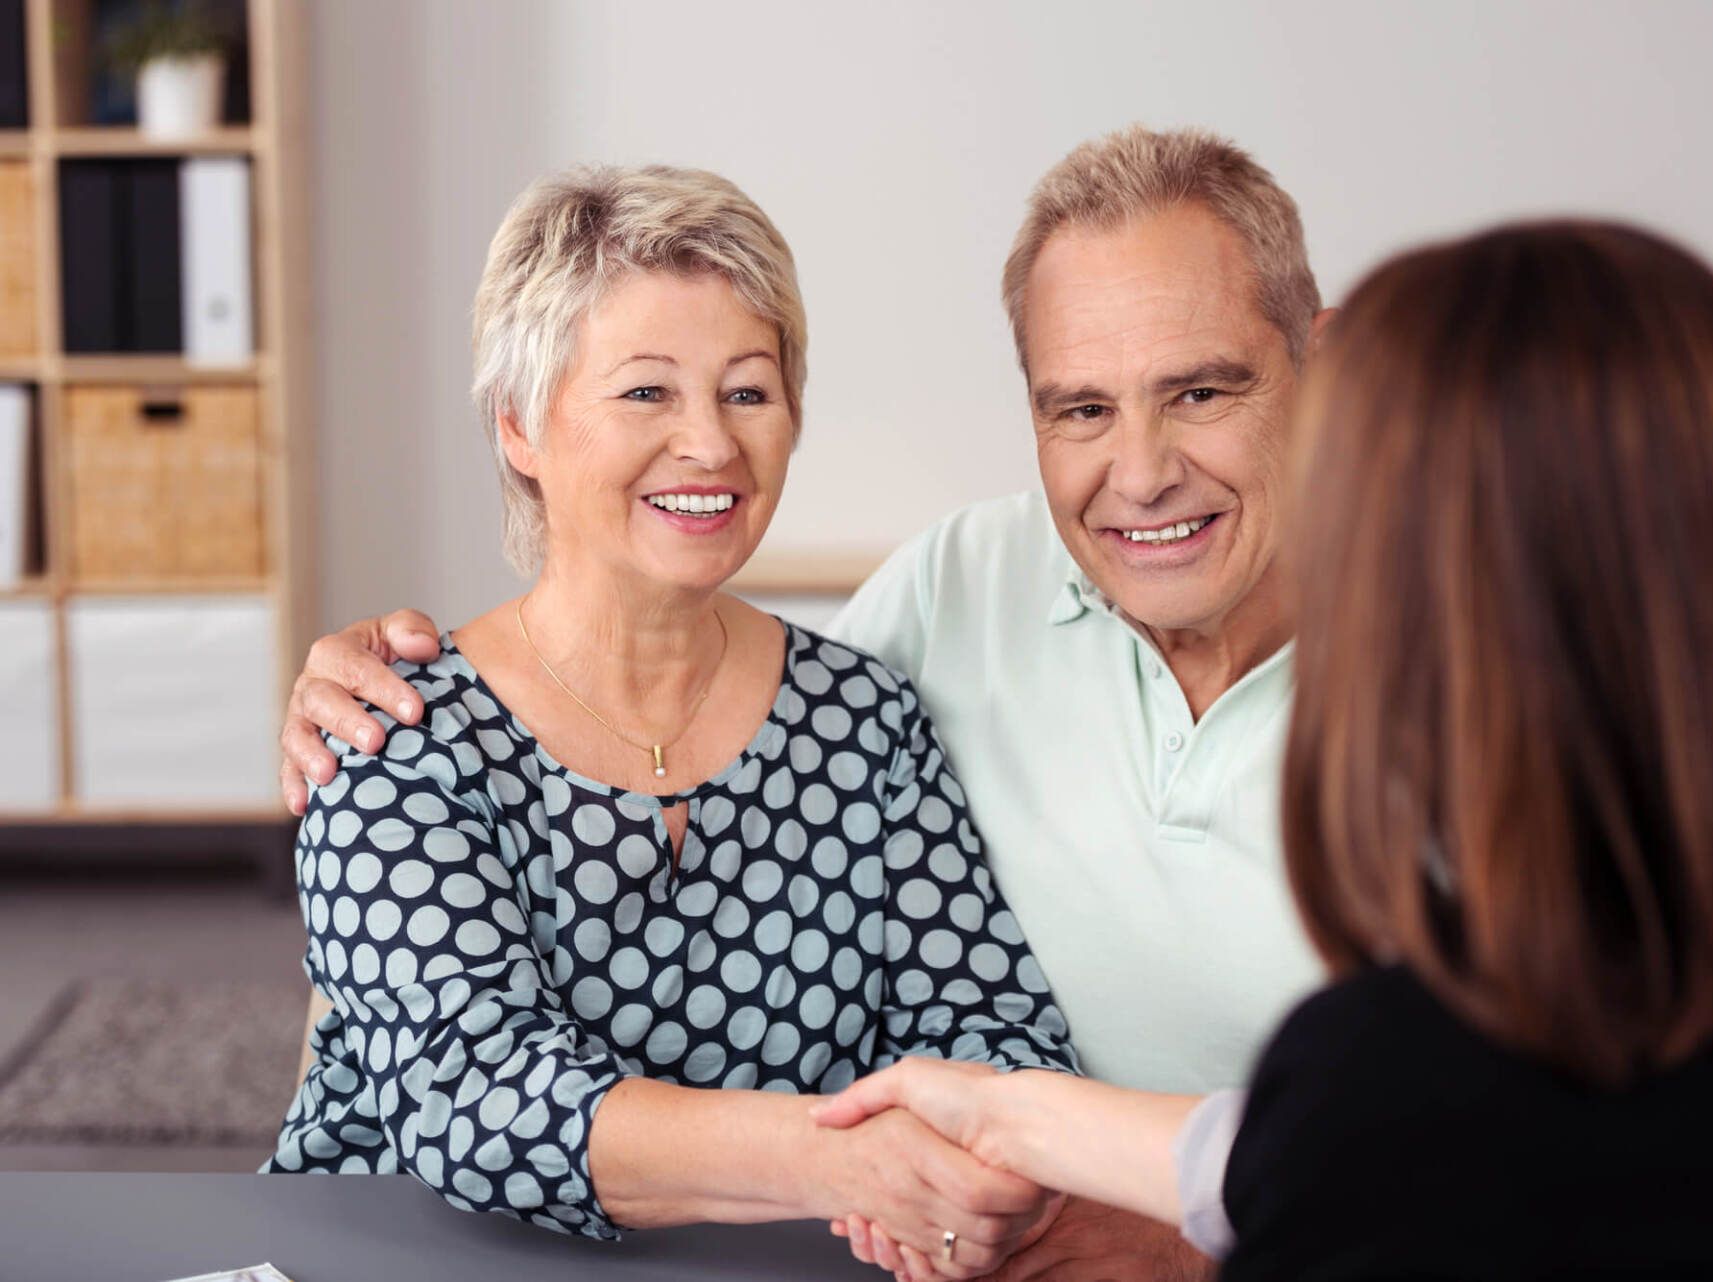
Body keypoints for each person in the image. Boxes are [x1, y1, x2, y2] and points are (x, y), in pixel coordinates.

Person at [278, 124, 1330, 1281]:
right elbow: (473, 1095)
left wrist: (969, 1167)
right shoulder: (394, 727)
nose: (708, 443)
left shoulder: (864, 715)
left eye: (748, 390)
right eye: (645, 391)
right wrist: (840, 1161)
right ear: (518, 425)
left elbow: (988, 1030)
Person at [808, 220, 1713, 1279]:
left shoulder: (1395, 1075)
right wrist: (1012, 1115)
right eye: (1085, 408)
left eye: (1205, 393)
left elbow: (1368, 1147)